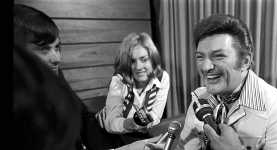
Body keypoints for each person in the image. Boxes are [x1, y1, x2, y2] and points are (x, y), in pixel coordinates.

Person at [175, 14, 277, 150]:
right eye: (200, 57)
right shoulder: (199, 97)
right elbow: (184, 146)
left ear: (245, 61)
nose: (205, 67)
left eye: (219, 56)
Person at [14, 4, 124, 149]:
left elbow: (85, 120)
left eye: (57, 48)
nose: (56, 58)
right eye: (43, 48)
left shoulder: (55, 77)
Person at [96, 32, 170, 143]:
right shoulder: (119, 79)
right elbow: (111, 123)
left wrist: (144, 123)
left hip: (140, 134)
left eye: (144, 59)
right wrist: (131, 123)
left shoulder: (162, 78)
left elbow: (156, 115)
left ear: (152, 58)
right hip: (110, 135)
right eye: (132, 61)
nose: (139, 67)